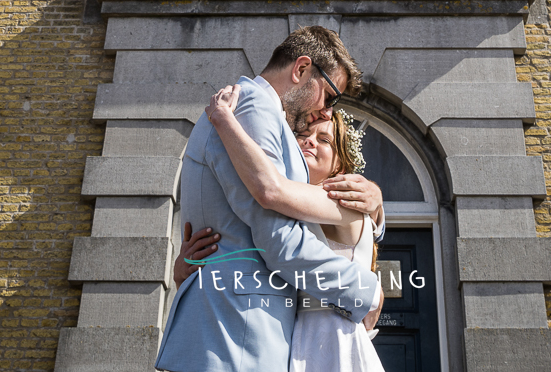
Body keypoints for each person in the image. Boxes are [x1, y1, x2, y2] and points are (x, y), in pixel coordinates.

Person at [153, 27, 382, 372]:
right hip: (239, 335)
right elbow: (278, 238)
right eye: (330, 96)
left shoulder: (250, 107)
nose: (327, 112)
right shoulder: (253, 108)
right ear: (301, 69)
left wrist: (376, 207)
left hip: (232, 330)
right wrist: (366, 291)